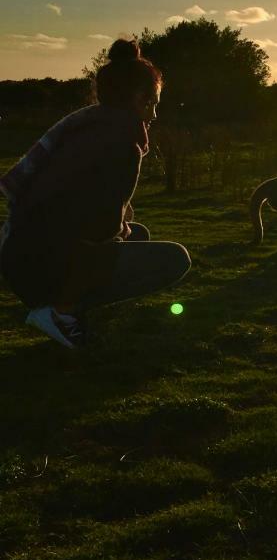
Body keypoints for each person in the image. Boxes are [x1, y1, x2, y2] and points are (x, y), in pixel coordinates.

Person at [0, 39, 191, 349]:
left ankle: (68, 306)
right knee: (175, 259)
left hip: (18, 253)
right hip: (41, 266)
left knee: (137, 234)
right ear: (138, 99)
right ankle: (61, 313)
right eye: (153, 103)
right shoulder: (123, 144)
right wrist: (115, 232)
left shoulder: (86, 127)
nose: (154, 115)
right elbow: (99, 230)